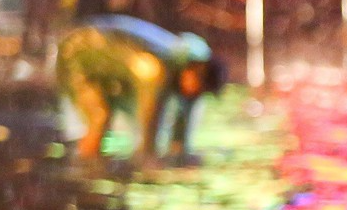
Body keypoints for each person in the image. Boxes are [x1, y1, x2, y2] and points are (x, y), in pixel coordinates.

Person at [56, 15, 226, 160]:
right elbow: (147, 133)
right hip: (77, 53)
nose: (196, 94)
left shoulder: (182, 71)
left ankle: (90, 162)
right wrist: (149, 167)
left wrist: (180, 157)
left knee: (106, 116)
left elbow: (181, 139)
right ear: (191, 72)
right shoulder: (154, 72)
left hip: (108, 60)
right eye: (199, 89)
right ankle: (86, 168)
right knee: (100, 116)